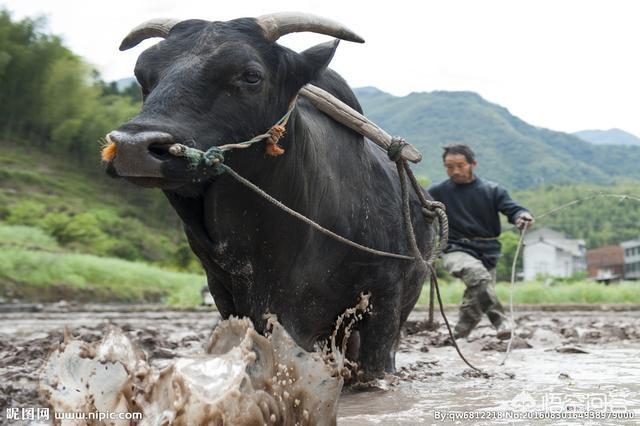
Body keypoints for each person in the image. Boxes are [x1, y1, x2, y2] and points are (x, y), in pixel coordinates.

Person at [428, 144, 534, 340]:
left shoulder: (493, 191)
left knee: (475, 302)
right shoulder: (437, 191)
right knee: (477, 276)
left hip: (488, 251)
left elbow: (514, 210)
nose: (455, 171)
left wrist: (523, 216)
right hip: (454, 249)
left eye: (460, 165)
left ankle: (454, 340)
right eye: (449, 166)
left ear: (472, 164)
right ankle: (500, 321)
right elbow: (418, 209)